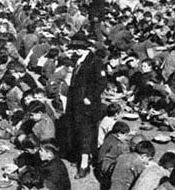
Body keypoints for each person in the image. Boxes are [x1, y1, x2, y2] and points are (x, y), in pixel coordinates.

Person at [63, 32, 107, 179]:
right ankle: (79, 158)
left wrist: (90, 97)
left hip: (87, 106)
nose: (75, 50)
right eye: (74, 47)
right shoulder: (79, 60)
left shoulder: (95, 62)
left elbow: (101, 83)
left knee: (86, 134)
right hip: (75, 103)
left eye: (78, 48)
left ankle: (84, 165)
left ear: (86, 48)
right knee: (77, 131)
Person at [96, 121, 130, 190]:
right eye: (126, 135)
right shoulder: (118, 145)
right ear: (119, 134)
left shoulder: (110, 135)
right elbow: (124, 156)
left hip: (100, 163)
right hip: (105, 167)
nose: (127, 137)